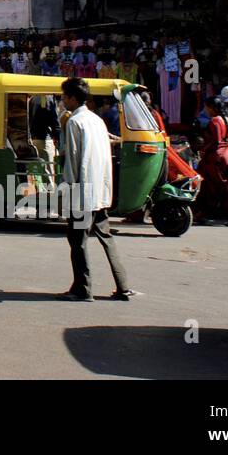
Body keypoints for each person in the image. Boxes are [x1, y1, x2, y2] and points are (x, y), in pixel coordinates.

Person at [57, 77, 133, 302]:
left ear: (72, 98)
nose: (62, 101)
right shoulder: (97, 120)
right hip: (99, 191)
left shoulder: (75, 122)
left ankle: (83, 289)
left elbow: (72, 160)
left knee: (78, 241)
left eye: (64, 97)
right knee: (106, 238)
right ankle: (123, 286)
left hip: (82, 194)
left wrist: (66, 191)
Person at [193, 96, 228, 227]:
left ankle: (202, 212)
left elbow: (215, 141)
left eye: (207, 107)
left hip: (215, 158)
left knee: (206, 184)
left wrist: (203, 150)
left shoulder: (215, 121)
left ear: (213, 107)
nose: (206, 110)